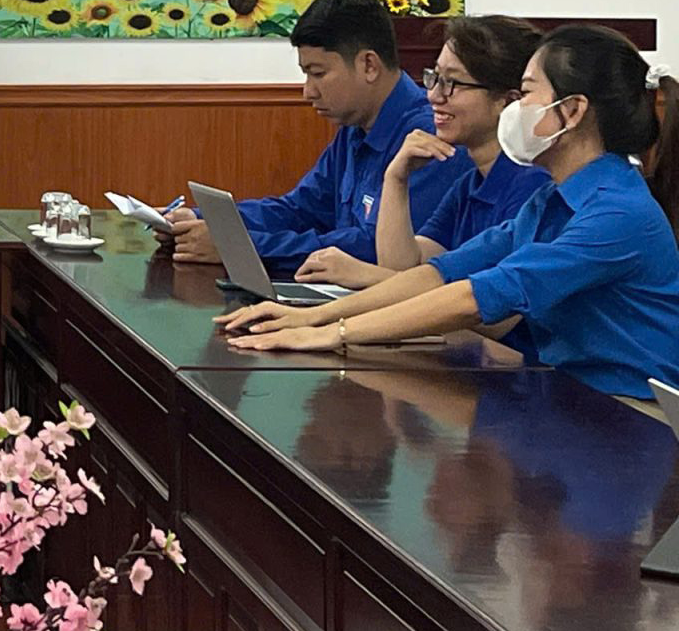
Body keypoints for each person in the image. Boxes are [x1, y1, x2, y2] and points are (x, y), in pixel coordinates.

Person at [220, 24, 679, 401]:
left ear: (573, 110)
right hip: (572, 396)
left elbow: (477, 297)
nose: (517, 108)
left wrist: (336, 333)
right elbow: (440, 273)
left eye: (526, 94)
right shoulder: (550, 199)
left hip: (631, 414)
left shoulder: (618, 213)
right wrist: (312, 318)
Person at [158, 0, 465, 272]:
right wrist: (201, 219)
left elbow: (376, 250)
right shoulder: (355, 125)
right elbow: (299, 210)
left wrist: (239, 247)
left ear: (369, 65)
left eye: (318, 73)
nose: (308, 92)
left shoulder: (430, 138)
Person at [291, 15, 550, 293]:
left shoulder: (532, 184)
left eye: (452, 83)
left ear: (508, 101)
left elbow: (490, 302)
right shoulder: (469, 184)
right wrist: (395, 178)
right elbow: (404, 266)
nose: (433, 96)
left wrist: (365, 275)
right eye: (435, 78)